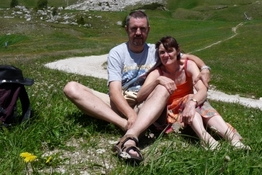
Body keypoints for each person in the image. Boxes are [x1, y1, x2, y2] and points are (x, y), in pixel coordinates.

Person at [63, 11, 210, 135]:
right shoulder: (117, 53)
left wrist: (204, 67)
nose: (138, 33)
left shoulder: (156, 51)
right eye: (134, 29)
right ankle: (123, 123)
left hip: (146, 102)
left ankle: (131, 122)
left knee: (162, 87)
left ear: (148, 30)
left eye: (142, 29)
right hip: (121, 101)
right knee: (71, 88)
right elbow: (114, 92)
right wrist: (129, 114)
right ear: (127, 29)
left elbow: (184, 57)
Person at [115, 36, 250, 163]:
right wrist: (157, 81)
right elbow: (140, 96)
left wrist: (192, 102)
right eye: (162, 52)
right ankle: (213, 137)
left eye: (169, 51)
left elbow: (202, 90)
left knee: (195, 101)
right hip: (170, 113)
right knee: (192, 100)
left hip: (190, 108)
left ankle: (226, 139)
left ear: (177, 50)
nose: (166, 55)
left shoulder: (188, 66)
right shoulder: (157, 72)